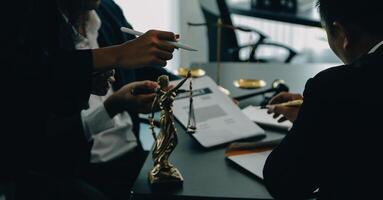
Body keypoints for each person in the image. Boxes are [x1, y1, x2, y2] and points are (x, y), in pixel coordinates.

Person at [0, 0, 177, 199]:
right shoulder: (33, 33)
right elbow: (38, 143)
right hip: (75, 174)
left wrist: (189, 84)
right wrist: (113, 106)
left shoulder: (107, 10)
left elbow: (143, 66)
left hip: (131, 156)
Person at [263, 0, 383, 199]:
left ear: (341, 33)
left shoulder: (332, 87)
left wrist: (310, 120)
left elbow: (284, 182)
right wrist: (316, 113)